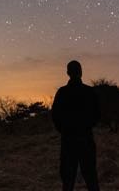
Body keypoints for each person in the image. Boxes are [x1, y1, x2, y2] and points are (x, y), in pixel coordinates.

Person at [51, 60, 100, 191]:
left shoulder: (62, 93)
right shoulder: (89, 92)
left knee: (68, 180)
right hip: (86, 139)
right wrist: (86, 126)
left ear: (68, 73)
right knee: (91, 178)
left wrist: (65, 130)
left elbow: (55, 116)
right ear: (81, 72)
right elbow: (97, 115)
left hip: (68, 140)